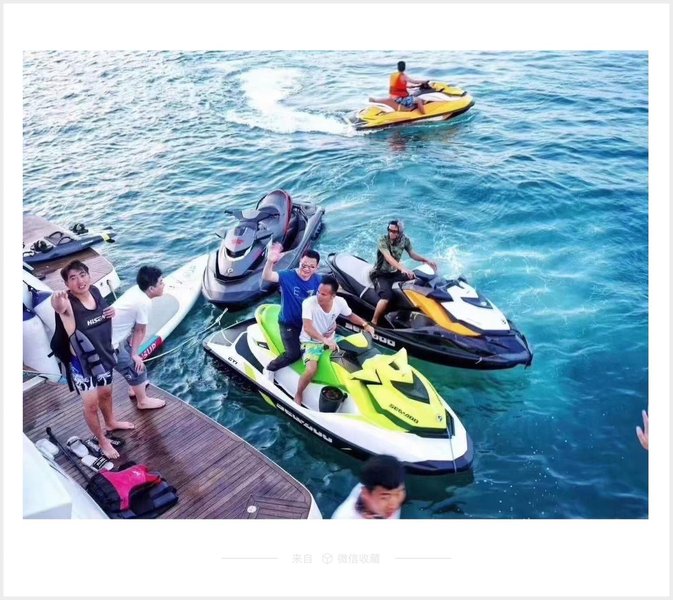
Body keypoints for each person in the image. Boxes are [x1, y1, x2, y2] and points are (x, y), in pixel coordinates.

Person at [50, 260, 133, 460]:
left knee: (106, 393)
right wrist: (56, 298)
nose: (80, 281)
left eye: (82, 275)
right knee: (91, 405)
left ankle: (111, 422)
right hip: (82, 365)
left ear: (88, 275)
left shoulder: (95, 291)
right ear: (67, 284)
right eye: (73, 278)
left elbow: (103, 314)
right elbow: (58, 306)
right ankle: (102, 440)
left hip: (103, 356)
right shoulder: (68, 303)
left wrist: (111, 312)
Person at [294, 275, 374, 406]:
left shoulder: (340, 302)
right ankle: (298, 393)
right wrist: (323, 340)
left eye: (323, 294)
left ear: (333, 296)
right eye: (318, 292)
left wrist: (365, 325)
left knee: (357, 353)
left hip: (331, 338)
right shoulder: (309, 303)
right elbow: (308, 328)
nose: (318, 296)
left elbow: (350, 315)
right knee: (311, 369)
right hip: (311, 342)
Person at [262, 245, 322, 381]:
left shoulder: (319, 280)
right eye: (304, 265)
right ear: (300, 261)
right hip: (289, 324)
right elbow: (267, 276)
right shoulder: (287, 276)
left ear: (317, 267)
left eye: (311, 267)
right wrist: (270, 261)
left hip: (307, 323)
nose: (307, 269)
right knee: (293, 354)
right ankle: (270, 368)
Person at [111, 265, 166, 410]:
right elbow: (140, 330)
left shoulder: (136, 290)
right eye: (161, 282)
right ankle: (142, 401)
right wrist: (135, 355)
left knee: (132, 358)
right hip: (110, 345)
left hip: (117, 337)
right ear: (151, 289)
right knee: (137, 368)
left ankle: (134, 388)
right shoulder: (143, 302)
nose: (164, 284)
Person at [370, 219, 437, 326]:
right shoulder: (383, 240)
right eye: (389, 230)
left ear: (400, 232)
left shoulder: (404, 240)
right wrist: (403, 269)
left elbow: (412, 253)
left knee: (417, 279)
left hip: (394, 272)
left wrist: (426, 260)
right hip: (380, 274)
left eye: (394, 231)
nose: (391, 233)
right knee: (387, 297)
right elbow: (388, 257)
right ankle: (374, 322)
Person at [332, 454, 406, 519]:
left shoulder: (389, 498)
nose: (394, 505)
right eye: (385, 497)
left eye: (398, 494)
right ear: (365, 493)